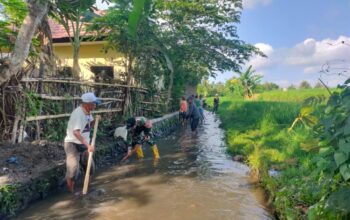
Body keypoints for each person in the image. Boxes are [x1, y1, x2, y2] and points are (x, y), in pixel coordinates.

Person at [64, 92, 99, 193]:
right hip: (73, 143)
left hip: (83, 143)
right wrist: (88, 145)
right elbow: (76, 132)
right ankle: (72, 193)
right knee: (73, 170)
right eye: (94, 103)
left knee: (91, 167)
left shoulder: (87, 112)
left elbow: (89, 125)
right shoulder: (78, 114)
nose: (95, 105)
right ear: (88, 104)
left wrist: (95, 121)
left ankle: (87, 188)